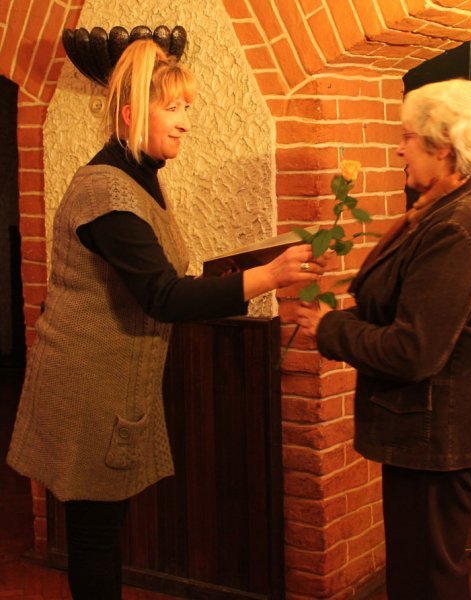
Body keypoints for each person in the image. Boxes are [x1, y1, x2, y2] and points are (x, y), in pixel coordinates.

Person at [7, 39, 326, 600]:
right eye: (172, 108)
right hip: (87, 390)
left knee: (103, 529)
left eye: (188, 108)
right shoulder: (105, 190)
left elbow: (162, 277)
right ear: (132, 114)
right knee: (94, 535)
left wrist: (239, 270)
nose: (185, 123)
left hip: (112, 384)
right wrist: (269, 277)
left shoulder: (139, 179)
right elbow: (163, 296)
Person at [295, 79, 471, 600]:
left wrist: (330, 328)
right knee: (423, 574)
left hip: (440, 436)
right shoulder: (453, 207)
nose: (399, 149)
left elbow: (412, 352)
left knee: (427, 583)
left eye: (407, 138)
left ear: (443, 146)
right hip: (438, 432)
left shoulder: (459, 226)